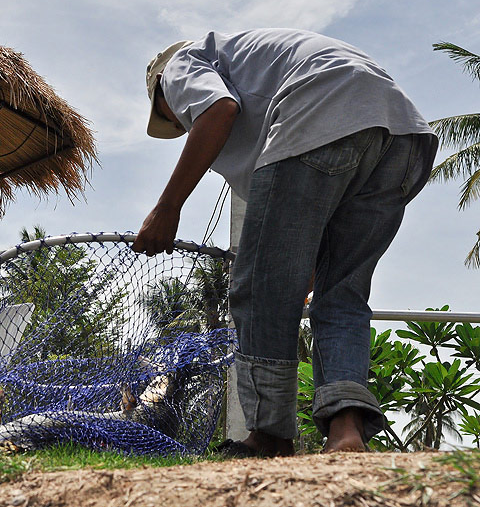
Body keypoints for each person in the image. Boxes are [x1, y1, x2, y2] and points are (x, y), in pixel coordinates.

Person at [132, 28, 438, 456]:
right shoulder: (252, 58)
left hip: (319, 115)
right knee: (342, 292)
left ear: (161, 90)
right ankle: (345, 431)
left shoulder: (180, 64)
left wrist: (167, 208)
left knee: (259, 288)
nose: (179, 123)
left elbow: (217, 109)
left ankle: (270, 434)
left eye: (170, 116)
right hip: (404, 137)